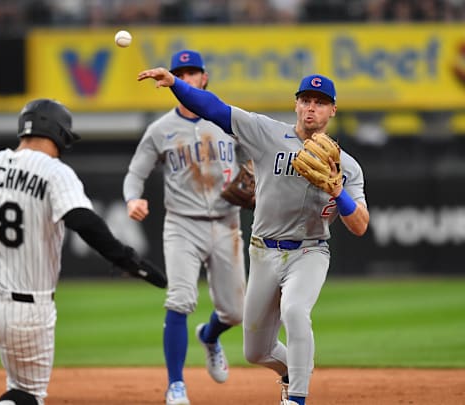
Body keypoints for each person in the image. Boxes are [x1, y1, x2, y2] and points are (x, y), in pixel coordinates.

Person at [0, 98, 166, 405]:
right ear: (61, 136)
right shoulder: (55, 173)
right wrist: (129, 261)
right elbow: (83, 220)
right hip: (26, 312)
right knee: (28, 394)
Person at [136, 67, 369, 405]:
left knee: (295, 310)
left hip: (310, 252)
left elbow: (360, 225)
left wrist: (339, 193)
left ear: (332, 110)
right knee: (255, 352)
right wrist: (176, 85)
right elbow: (214, 108)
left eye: (320, 102)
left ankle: (297, 399)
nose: (311, 108)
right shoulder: (266, 133)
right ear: (296, 104)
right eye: (306, 100)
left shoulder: (347, 167)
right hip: (263, 252)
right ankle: (293, 371)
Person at [123, 50, 248, 405]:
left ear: (204, 79)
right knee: (179, 299)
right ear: (172, 80)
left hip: (227, 223)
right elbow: (136, 173)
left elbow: (256, 158)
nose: (188, 78)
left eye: (193, 73)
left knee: (235, 313)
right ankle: (175, 385)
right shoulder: (160, 130)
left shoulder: (228, 120)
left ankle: (209, 335)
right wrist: (133, 198)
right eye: (182, 73)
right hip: (182, 225)